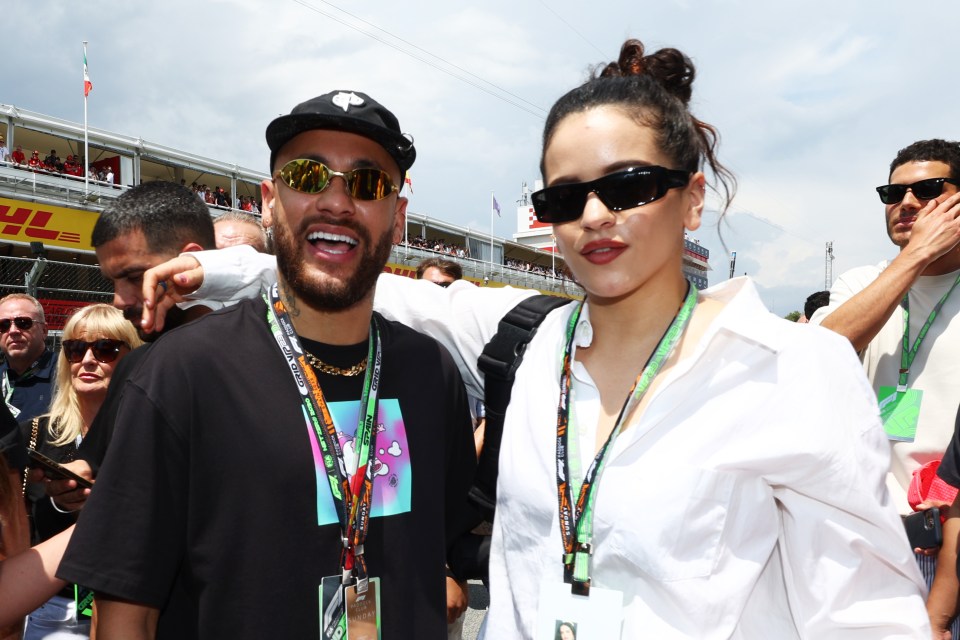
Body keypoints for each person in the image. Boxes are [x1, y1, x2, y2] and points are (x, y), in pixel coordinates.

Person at [143, 40, 930, 638]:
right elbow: (364, 275)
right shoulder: (531, 342)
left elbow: (871, 620)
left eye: (627, 187)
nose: (595, 217)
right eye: (565, 197)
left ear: (692, 200)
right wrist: (205, 271)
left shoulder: (794, 369)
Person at [58, 90, 478, 639]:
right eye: (306, 176)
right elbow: (124, 614)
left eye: (367, 183)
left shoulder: (432, 372)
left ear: (396, 216)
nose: (336, 201)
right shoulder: (182, 373)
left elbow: (433, 547)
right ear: (270, 200)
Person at [809, 140, 960, 637]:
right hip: (872, 537)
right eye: (893, 193)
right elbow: (818, 356)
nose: (907, 203)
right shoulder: (864, 282)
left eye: (929, 189)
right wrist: (915, 258)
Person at [21, 304, 141, 640]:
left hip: (132, 607)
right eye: (76, 349)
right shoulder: (34, 433)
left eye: (106, 349)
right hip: (50, 610)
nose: (88, 360)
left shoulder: (149, 434)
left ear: (132, 359)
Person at [0, 294, 56, 422]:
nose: (13, 330)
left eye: (23, 323)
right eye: (4, 325)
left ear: (44, 331)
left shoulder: (67, 376)